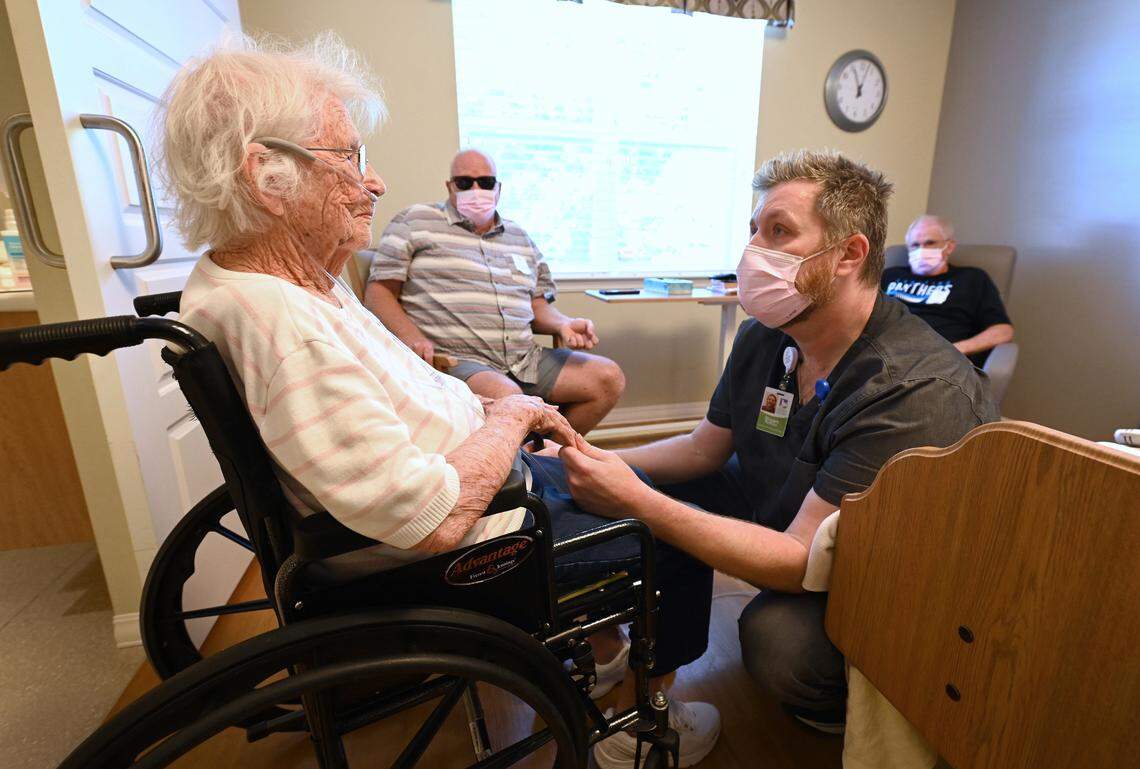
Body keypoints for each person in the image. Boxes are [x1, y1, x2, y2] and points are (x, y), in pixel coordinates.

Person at [158, 35, 719, 769]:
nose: (375, 181)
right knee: (678, 526)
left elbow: (399, 378)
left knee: (612, 460)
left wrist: (483, 393)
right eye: (350, 159)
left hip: (476, 454)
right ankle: (635, 727)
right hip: (475, 526)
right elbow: (429, 516)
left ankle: (606, 635)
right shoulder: (285, 321)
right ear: (268, 177)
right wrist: (511, 415)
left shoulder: (289, 283)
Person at [556, 150, 1000, 736]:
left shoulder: (912, 391)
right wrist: (596, 458)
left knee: (776, 641)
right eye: (753, 231)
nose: (752, 253)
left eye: (779, 232)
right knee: (625, 491)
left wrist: (639, 503)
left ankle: (836, 708)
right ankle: (619, 654)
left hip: (891, 579)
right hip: (792, 511)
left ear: (849, 254)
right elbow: (702, 450)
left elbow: (799, 559)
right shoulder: (766, 336)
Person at [364, 149, 625, 433]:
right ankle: (524, 465)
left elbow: (537, 306)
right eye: (465, 183)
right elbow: (379, 291)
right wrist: (412, 338)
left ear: (498, 188)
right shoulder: (415, 221)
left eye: (486, 182)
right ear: (450, 186)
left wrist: (563, 324)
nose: (476, 190)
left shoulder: (519, 237)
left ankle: (544, 461)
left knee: (608, 378)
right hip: (457, 359)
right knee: (509, 397)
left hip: (525, 358)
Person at [882, 214, 1014, 367]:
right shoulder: (890, 275)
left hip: (940, 362)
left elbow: (1003, 331)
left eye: (930, 243)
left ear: (949, 246)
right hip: (887, 356)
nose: (921, 250)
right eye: (914, 245)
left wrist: (954, 350)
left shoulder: (972, 279)